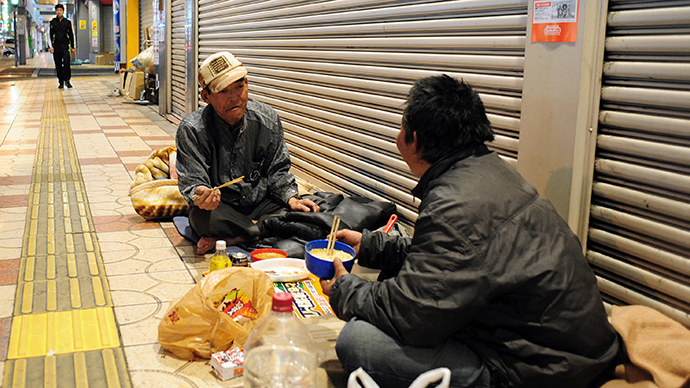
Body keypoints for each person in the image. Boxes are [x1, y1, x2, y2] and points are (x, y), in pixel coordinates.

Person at [321, 75, 620, 388]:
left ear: (415, 140)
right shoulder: (488, 170)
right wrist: (371, 246)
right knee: (386, 286)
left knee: (358, 341)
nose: (397, 136)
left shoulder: (454, 205)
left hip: (540, 370)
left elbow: (411, 314)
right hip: (569, 349)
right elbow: (451, 262)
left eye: (401, 127)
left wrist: (346, 290)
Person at [175, 52, 319, 255]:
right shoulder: (192, 129)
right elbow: (193, 181)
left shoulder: (267, 119)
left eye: (239, 87)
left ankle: (240, 236)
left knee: (309, 212)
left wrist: (291, 198)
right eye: (223, 91)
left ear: (247, 83)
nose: (234, 97)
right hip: (222, 209)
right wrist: (201, 194)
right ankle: (262, 230)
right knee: (200, 218)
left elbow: (278, 170)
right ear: (206, 96)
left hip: (260, 204)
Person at [49, 3, 75, 89]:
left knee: (67, 63)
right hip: (56, 47)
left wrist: (72, 47)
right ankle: (61, 81)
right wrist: (51, 46)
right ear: (56, 11)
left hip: (65, 46)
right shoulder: (53, 22)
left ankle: (67, 80)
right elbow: (50, 35)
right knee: (58, 64)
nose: (59, 12)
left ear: (63, 11)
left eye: (60, 10)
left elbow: (71, 35)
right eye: (57, 10)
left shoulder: (67, 22)